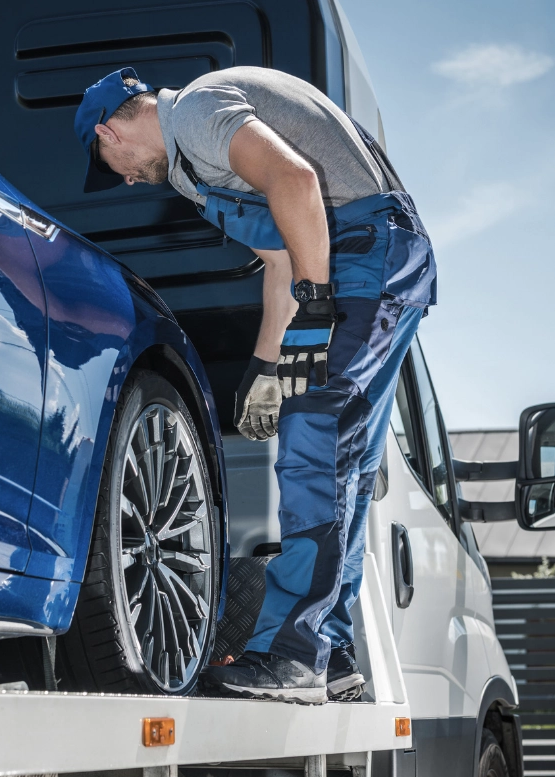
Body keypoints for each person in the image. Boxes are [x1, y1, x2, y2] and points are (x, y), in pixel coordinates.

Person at [73, 66, 436, 704]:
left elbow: (296, 181)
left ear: (111, 129)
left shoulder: (194, 112)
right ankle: (331, 654)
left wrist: (317, 311)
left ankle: (293, 654)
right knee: (341, 463)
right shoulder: (191, 166)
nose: (125, 178)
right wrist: (265, 370)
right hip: (369, 257)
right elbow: (279, 260)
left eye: (113, 163)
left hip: (366, 253)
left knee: (314, 440)